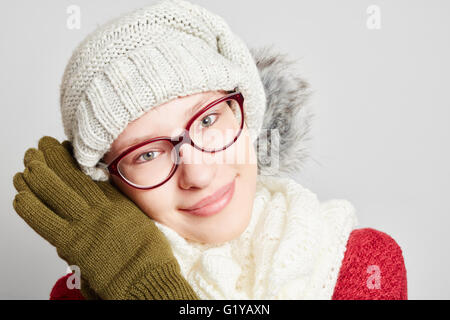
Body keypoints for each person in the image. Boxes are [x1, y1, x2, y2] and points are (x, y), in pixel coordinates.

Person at [12, 0, 407, 300]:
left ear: (247, 112)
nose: (197, 174)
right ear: (108, 182)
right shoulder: (78, 295)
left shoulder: (363, 264)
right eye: (147, 154)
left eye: (207, 121)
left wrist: (144, 286)